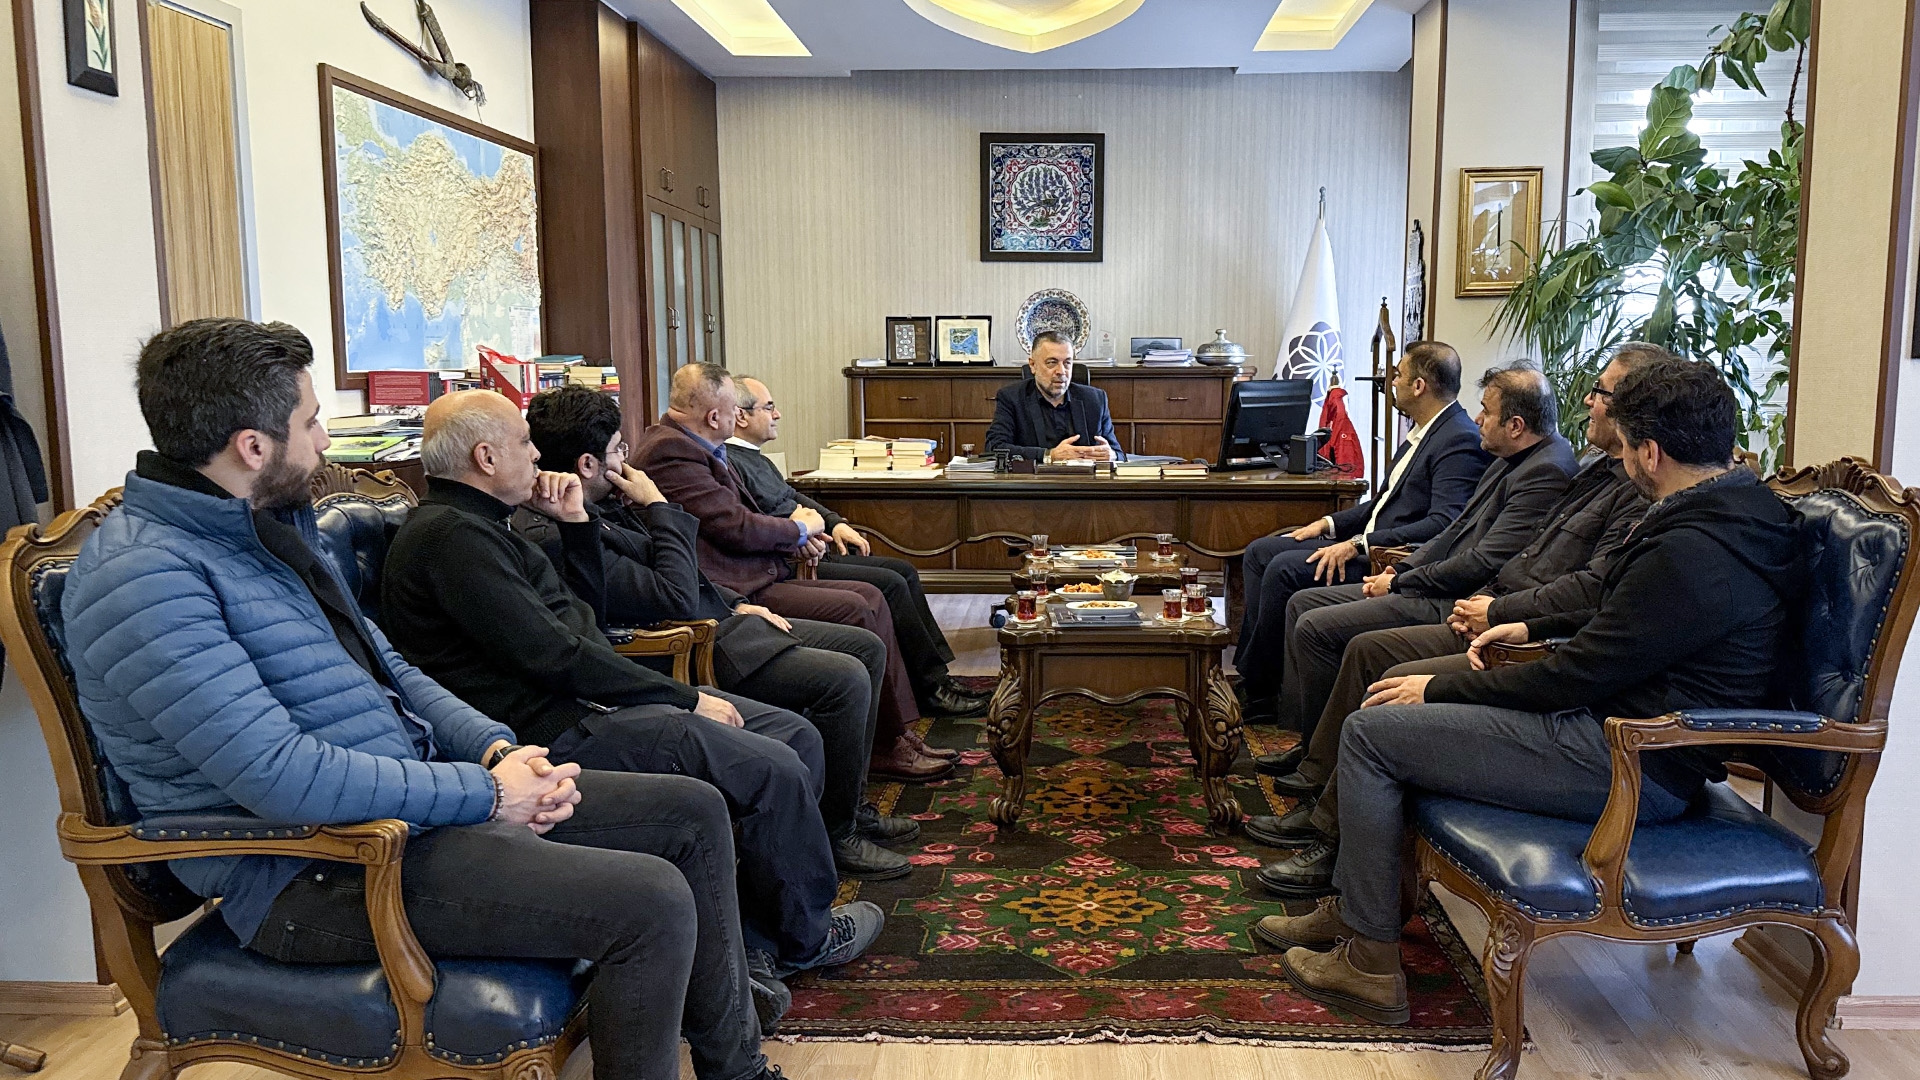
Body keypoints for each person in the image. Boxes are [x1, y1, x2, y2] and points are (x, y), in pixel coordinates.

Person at [60, 318, 783, 1079]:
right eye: (310, 424)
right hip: (315, 874)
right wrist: (482, 794)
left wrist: (494, 749)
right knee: (652, 899)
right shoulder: (144, 579)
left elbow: (391, 667)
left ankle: (735, 1067)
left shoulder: (263, 532)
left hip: (410, 818)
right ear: (252, 445)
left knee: (692, 812)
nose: (323, 444)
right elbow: (280, 775)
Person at [1252, 358, 1801, 1026]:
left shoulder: (1690, 547)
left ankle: (1368, 963)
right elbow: (1612, 618)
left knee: (1374, 732)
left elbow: (1580, 675)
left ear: (1652, 452)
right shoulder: (1733, 512)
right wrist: (1528, 623)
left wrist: (1442, 688)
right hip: (1622, 729)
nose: (1622, 459)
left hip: (1630, 760)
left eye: (1627, 447)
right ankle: (1357, 905)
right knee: (1391, 692)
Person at [381, 388, 882, 981]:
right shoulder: (454, 538)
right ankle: (806, 937)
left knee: (792, 735)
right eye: (523, 443)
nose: (538, 453)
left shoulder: (483, 525)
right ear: (487, 458)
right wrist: (688, 697)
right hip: (551, 731)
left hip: (584, 700)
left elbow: (582, 622)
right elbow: (559, 655)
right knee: (769, 765)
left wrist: (575, 525)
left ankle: (759, 934)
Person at [514, 384, 917, 881]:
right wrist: (658, 505)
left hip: (723, 616)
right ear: (588, 465)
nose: (630, 461)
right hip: (683, 645)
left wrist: (738, 602)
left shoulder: (602, 506)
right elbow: (675, 594)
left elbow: (687, 578)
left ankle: (845, 812)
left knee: (861, 648)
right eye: (620, 450)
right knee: (844, 675)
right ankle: (836, 834)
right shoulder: (564, 529)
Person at [1240, 364, 1577, 897]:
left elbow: (1486, 556)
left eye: (1487, 410)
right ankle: (1316, 764)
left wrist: (1402, 581)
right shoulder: (1508, 458)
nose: (1478, 417)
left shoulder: (1544, 469)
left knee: (1332, 632)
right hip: (1436, 586)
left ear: (1515, 424)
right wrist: (1400, 574)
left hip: (1464, 606)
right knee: (1308, 606)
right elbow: (1456, 533)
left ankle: (1323, 789)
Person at [632, 363, 954, 783]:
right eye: (735, 408)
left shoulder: (696, 444)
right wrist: (804, 527)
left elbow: (744, 516)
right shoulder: (671, 452)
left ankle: (895, 737)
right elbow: (737, 526)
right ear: (716, 416)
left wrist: (797, 532)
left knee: (871, 596)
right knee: (861, 605)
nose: (741, 417)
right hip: (733, 590)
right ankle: (884, 747)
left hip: (758, 572)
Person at [1236, 341, 1491, 722]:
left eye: (1399, 375)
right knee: (1262, 551)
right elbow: (1385, 501)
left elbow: (1444, 522)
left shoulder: (1458, 439)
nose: (1392, 382)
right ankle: (1256, 677)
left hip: (1391, 561)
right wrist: (1329, 524)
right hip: (1367, 545)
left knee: (1285, 569)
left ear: (1419, 386)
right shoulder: (1425, 430)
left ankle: (1262, 693)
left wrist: (1358, 544)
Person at [726, 375, 987, 721]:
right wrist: (805, 531)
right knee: (890, 583)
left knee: (903, 571)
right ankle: (930, 691)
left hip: (809, 546)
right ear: (741, 417)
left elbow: (792, 498)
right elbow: (768, 516)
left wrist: (834, 522)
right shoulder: (732, 461)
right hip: (793, 560)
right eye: (770, 407)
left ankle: (935, 679)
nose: (778, 414)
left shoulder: (754, 457)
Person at [984, 330, 1125, 462]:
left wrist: (1111, 455)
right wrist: (1049, 455)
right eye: (1052, 363)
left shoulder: (1095, 400)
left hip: (1084, 484)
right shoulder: (1012, 398)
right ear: (1033, 365)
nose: (1061, 371)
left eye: (1067, 363)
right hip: (1034, 484)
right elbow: (994, 448)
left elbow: (1119, 454)